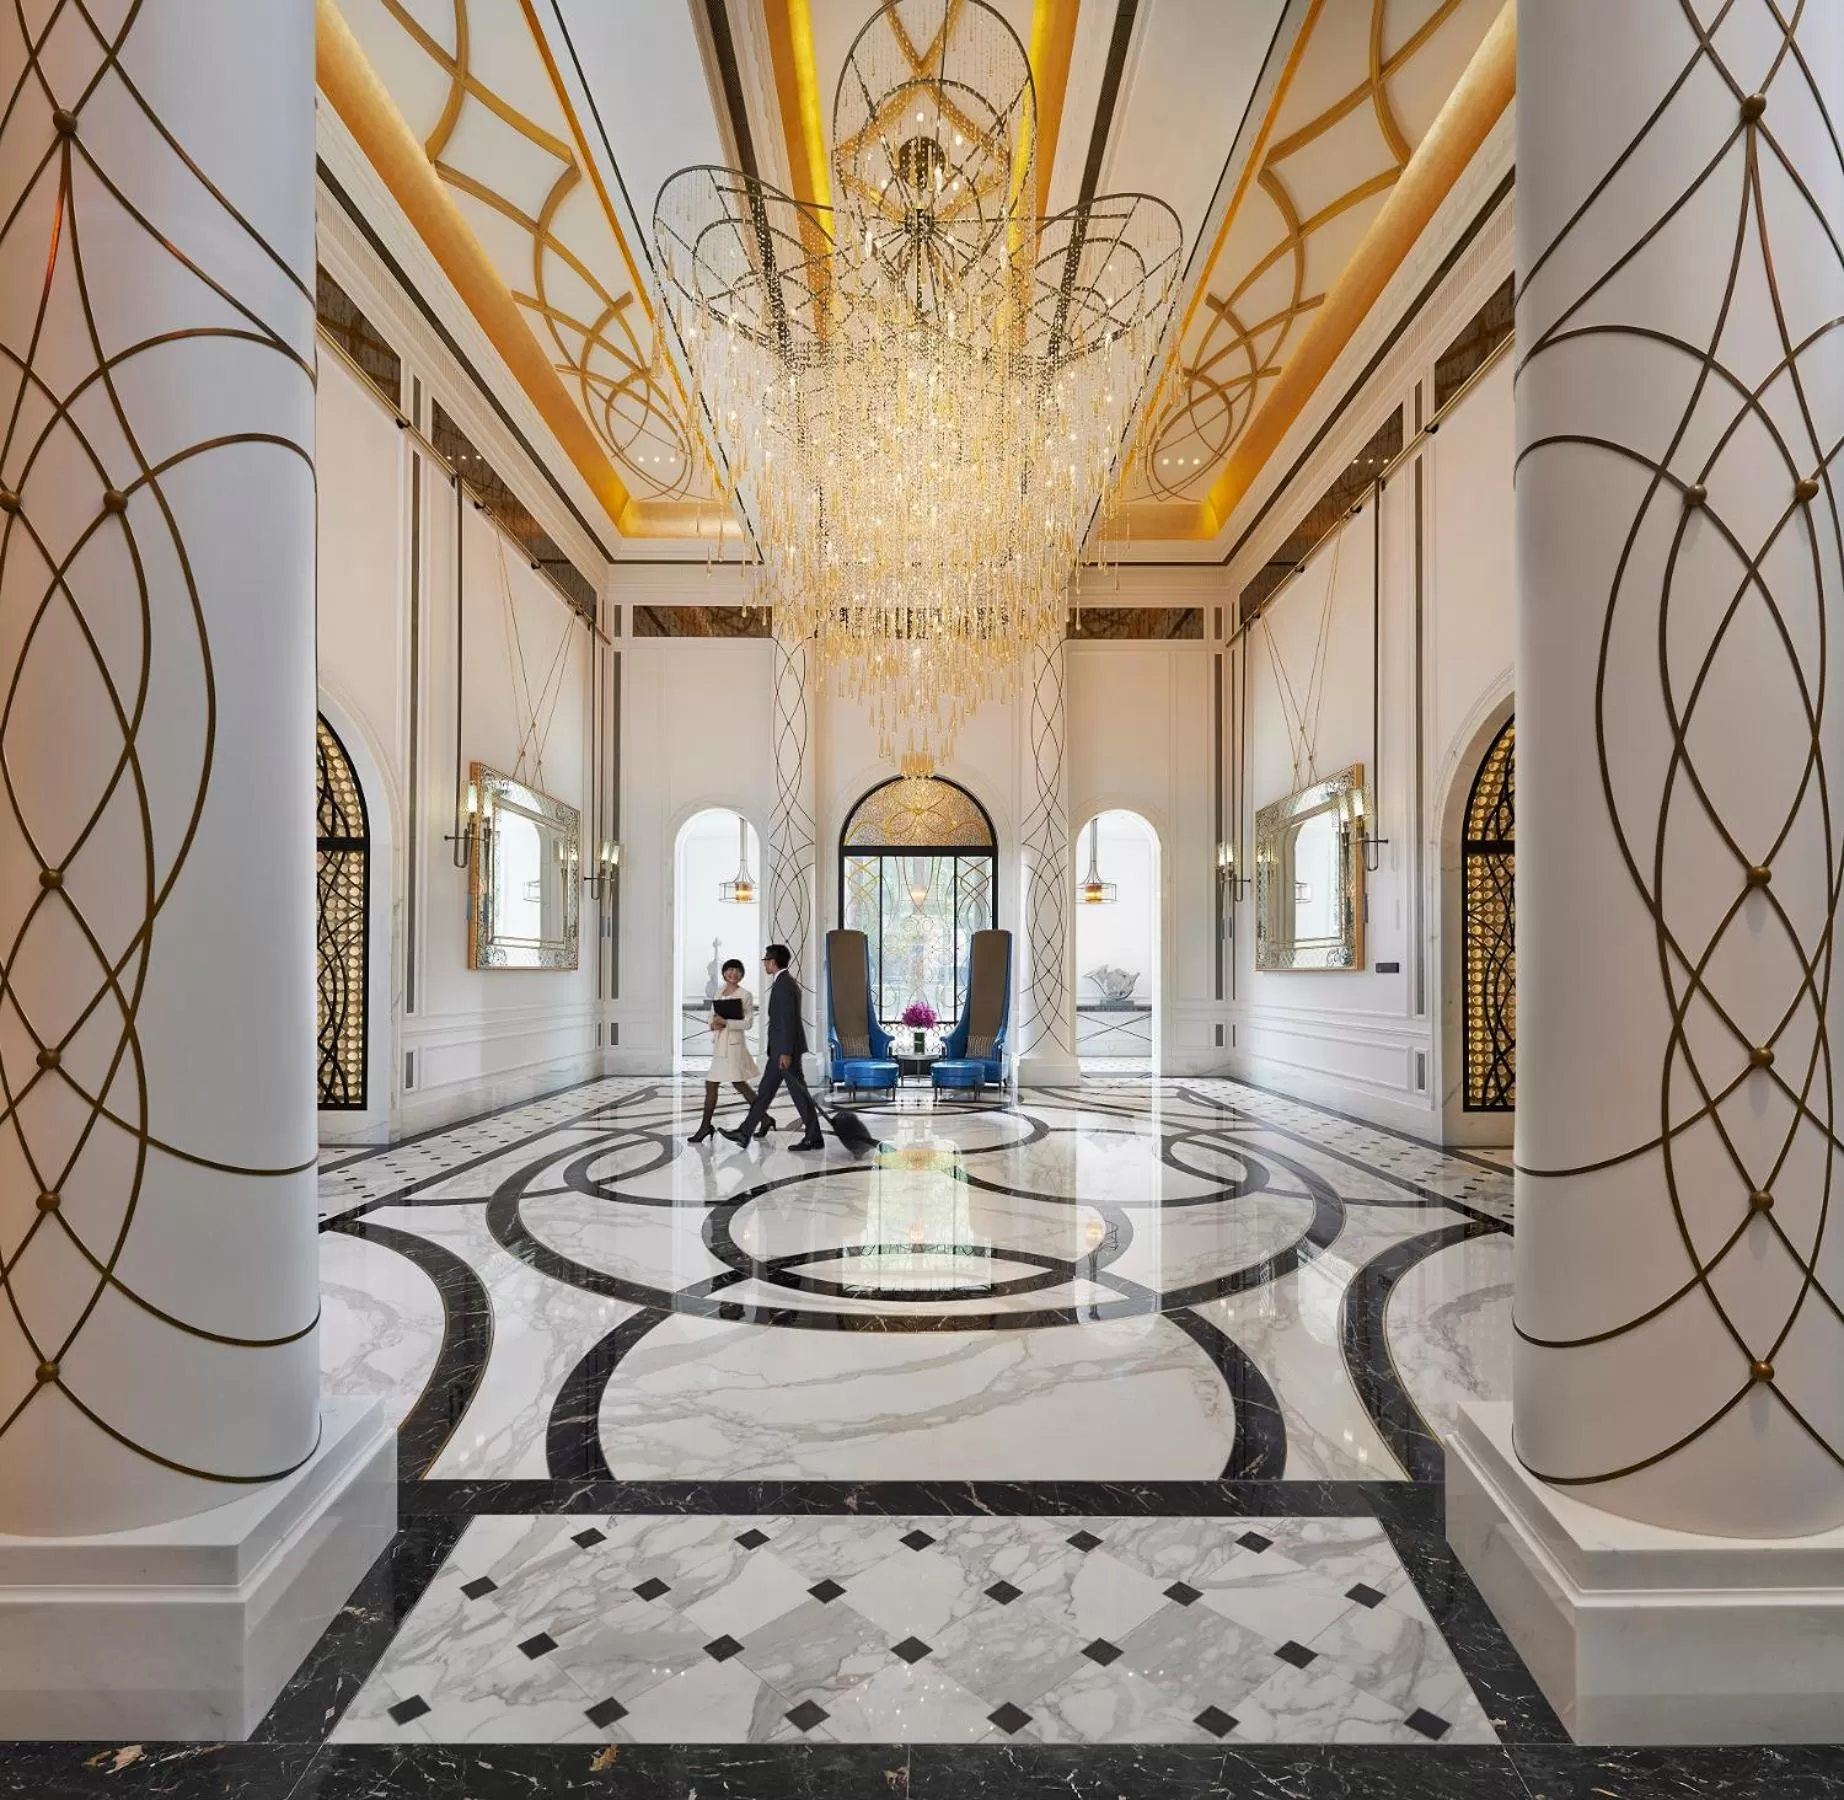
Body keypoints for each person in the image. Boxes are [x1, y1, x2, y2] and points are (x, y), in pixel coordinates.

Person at [722, 943, 824, 1151]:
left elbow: (787, 1021)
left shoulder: (785, 985)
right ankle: (744, 1132)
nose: (764, 964)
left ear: (773, 962)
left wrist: (786, 1052)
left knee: (799, 1095)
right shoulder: (783, 982)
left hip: (784, 1053)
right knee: (765, 1094)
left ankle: (814, 1137)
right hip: (779, 1051)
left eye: (766, 961)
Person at [687, 958, 775, 1145]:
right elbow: (711, 1016)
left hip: (735, 1047)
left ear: (741, 974)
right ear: (724, 973)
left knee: (739, 1084)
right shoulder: (719, 992)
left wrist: (727, 1022)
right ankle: (706, 1127)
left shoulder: (745, 995)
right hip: (720, 1046)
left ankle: (765, 1118)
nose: (733, 973)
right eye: (730, 970)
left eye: (737, 971)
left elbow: (748, 1023)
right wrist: (713, 1023)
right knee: (712, 1084)